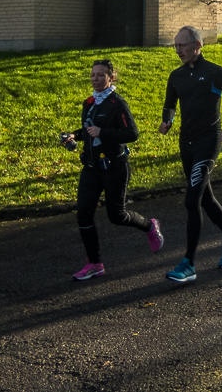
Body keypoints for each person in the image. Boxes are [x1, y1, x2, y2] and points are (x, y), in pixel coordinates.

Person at [160, 26, 222, 283]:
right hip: (185, 143)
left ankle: (188, 264)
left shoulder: (214, 73)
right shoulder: (175, 76)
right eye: (175, 46)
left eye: (183, 46)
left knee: (192, 200)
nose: (178, 50)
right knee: (205, 197)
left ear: (197, 45)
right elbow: (170, 105)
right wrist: (167, 122)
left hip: (209, 141)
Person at [61, 59, 164, 281]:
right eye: (92, 75)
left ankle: (149, 226)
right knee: (83, 213)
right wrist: (74, 135)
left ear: (111, 78)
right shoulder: (89, 102)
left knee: (116, 215)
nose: (95, 79)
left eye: (101, 75)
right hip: (90, 168)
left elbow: (132, 134)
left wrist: (103, 132)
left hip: (114, 168)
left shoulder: (117, 103)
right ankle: (95, 264)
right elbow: (89, 129)